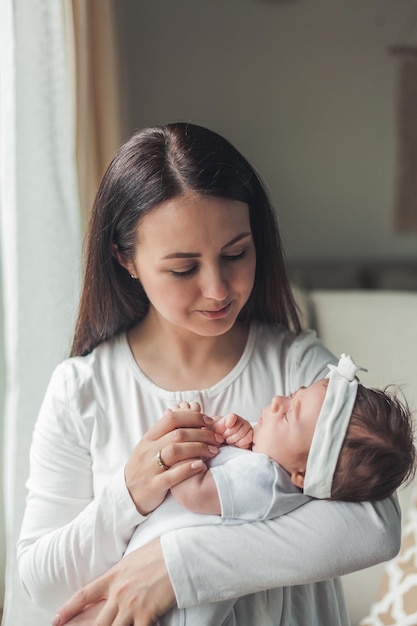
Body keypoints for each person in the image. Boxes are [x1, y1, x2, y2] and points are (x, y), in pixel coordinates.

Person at [16, 123, 402, 626]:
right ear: (125, 259)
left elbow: (376, 524)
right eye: (183, 269)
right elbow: (40, 582)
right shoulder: (81, 390)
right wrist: (128, 495)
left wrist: (180, 566)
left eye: (236, 254)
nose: (218, 289)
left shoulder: (298, 370)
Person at [123, 354, 415, 625]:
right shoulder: (270, 475)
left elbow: (193, 494)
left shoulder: (262, 476)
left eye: (288, 414)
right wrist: (241, 439)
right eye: (292, 396)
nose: (276, 401)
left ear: (302, 475)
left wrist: (187, 443)